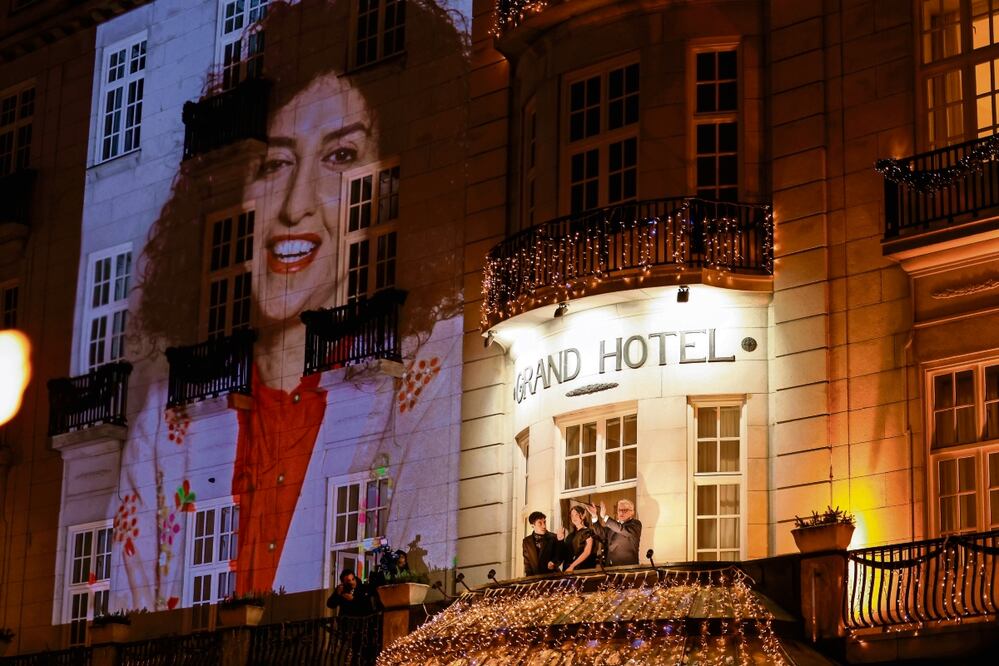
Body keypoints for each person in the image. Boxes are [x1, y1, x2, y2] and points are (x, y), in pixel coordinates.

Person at [119, 0, 469, 609]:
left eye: (340, 158)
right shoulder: (159, 428)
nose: (294, 206)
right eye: (276, 164)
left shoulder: (431, 374)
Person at [587, 499, 642, 566]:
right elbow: (601, 534)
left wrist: (605, 517)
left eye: (625, 510)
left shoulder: (635, 524)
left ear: (632, 512)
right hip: (610, 567)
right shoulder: (613, 525)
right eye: (619, 510)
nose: (621, 513)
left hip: (627, 567)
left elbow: (621, 529)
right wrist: (594, 516)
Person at [522, 511, 559, 576]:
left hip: (552, 577)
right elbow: (527, 563)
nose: (544, 526)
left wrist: (554, 562)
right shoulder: (526, 541)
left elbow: (559, 556)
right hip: (535, 579)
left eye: (544, 522)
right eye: (540, 523)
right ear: (532, 525)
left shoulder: (553, 537)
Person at [561, 505, 596, 572]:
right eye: (572, 515)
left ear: (583, 516)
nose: (574, 518)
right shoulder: (570, 535)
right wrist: (560, 540)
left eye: (576, 515)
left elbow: (587, 552)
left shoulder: (588, 532)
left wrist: (572, 566)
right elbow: (565, 553)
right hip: (568, 569)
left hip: (581, 569)